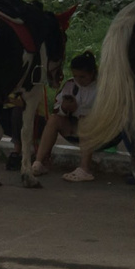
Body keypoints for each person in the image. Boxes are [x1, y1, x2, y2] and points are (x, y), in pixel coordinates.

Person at [36, 51, 100, 182]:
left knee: (85, 120)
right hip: (73, 125)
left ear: (93, 73)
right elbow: (55, 109)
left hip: (97, 129)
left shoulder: (103, 87)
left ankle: (85, 168)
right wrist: (64, 108)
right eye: (75, 76)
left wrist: (80, 111)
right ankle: (39, 162)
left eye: (82, 77)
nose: (78, 80)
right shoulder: (70, 85)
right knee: (54, 120)